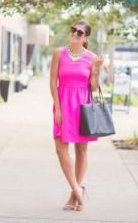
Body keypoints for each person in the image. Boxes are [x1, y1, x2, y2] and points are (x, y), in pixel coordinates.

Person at [49, 21, 104, 211]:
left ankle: (73, 197)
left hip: (83, 105)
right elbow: (52, 81)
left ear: (85, 38)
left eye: (79, 32)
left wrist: (96, 68)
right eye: (73, 30)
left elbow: (94, 87)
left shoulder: (92, 57)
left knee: (81, 151)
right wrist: (57, 106)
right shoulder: (59, 53)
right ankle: (77, 189)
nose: (74, 34)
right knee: (60, 148)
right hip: (63, 103)